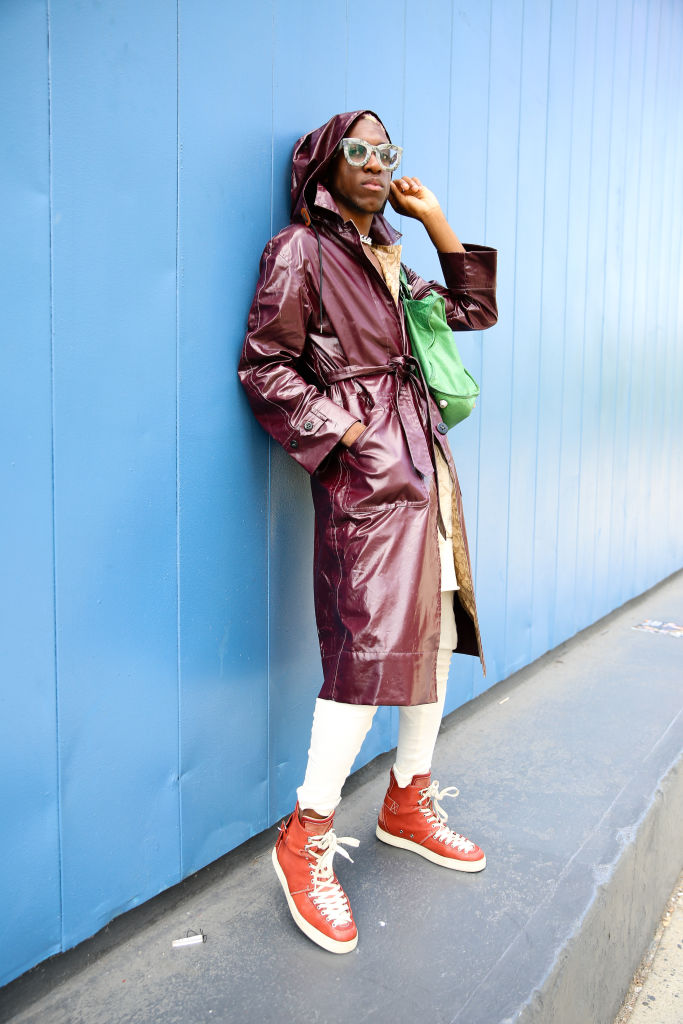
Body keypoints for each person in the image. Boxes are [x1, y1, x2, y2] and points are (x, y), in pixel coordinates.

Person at [238, 110, 497, 955]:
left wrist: (433, 222)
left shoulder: (388, 252)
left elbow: (470, 311)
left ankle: (405, 798)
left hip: (427, 465)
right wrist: (348, 436)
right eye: (359, 150)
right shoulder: (299, 252)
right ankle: (306, 832)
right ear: (321, 162)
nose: (378, 163)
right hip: (370, 475)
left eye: (388, 152)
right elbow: (265, 365)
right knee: (364, 647)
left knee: (432, 630)